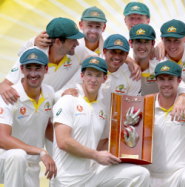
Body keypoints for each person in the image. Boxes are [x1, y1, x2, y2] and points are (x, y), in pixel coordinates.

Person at [52, 56, 150, 186]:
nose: (93, 80)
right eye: (89, 74)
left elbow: (97, 144)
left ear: (105, 78)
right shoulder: (68, 100)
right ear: (82, 76)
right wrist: (96, 155)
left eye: (98, 75)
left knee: (140, 174)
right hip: (66, 180)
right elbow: (63, 142)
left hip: (91, 176)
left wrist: (126, 136)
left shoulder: (101, 108)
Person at [0, 48, 56, 187]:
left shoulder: (49, 93)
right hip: (4, 159)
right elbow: (2, 138)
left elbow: (47, 125)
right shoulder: (9, 96)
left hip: (32, 165)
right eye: (28, 68)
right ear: (22, 69)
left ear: (46, 69)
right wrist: (41, 151)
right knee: (18, 155)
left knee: (21, 157)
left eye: (37, 68)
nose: (33, 73)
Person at [0, 17, 84, 103]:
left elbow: (95, 59)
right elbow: (6, 84)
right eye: (73, 40)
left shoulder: (78, 52)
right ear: (58, 42)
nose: (77, 43)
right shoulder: (32, 54)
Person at [145, 60, 185, 187]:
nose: (166, 84)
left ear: (179, 80)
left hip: (182, 172)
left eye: (170, 79)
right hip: (153, 174)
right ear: (156, 80)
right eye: (162, 79)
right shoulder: (145, 105)